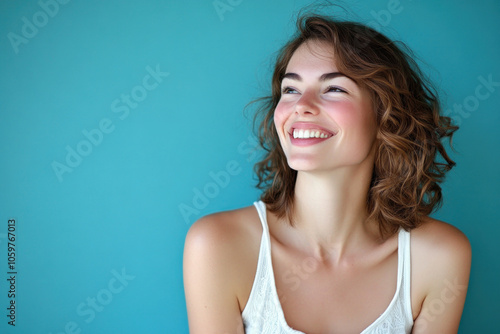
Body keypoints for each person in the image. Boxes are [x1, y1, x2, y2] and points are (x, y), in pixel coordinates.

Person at [183, 12, 471, 334]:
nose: (301, 105)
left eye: (333, 88)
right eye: (290, 89)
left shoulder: (439, 256)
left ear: (387, 118)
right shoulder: (218, 245)